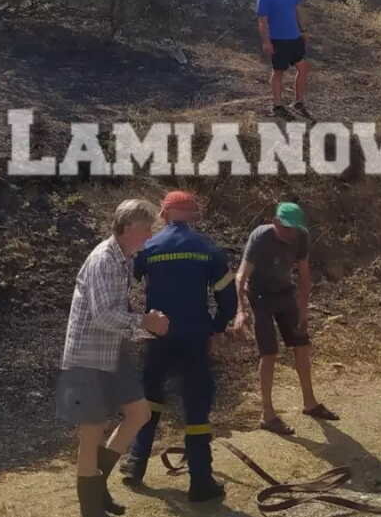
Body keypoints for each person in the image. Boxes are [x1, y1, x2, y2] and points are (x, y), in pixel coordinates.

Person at [118, 191, 237, 502]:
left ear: (164, 214)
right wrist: (216, 327)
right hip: (195, 338)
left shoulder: (149, 247)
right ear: (193, 215)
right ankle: (200, 482)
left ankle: (135, 464)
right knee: (196, 408)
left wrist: (137, 320)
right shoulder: (206, 249)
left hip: (158, 336)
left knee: (150, 400)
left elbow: (123, 284)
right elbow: (228, 297)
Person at [56, 199, 171, 517]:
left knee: (139, 413)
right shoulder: (104, 260)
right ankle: (90, 509)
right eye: (146, 228)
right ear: (127, 227)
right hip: (87, 357)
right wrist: (145, 323)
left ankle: (98, 485)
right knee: (91, 431)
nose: (150, 234)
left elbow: (118, 313)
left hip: (113, 352)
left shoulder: (125, 259)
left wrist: (147, 326)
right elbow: (104, 315)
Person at [231, 202, 337, 434]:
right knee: (269, 353)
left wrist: (303, 312)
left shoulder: (301, 236)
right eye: (287, 229)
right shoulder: (260, 237)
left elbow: (304, 277)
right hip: (260, 296)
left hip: (285, 293)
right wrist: (241, 311)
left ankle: (310, 403)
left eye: (295, 229)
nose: (292, 234)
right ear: (276, 222)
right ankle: (267, 415)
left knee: (302, 345)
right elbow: (241, 276)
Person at [256, 0, 310, 119]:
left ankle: (299, 101)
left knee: (303, 68)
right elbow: (262, 21)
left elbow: (296, 8)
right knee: (278, 72)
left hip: (295, 38)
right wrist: (266, 42)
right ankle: (277, 105)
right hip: (278, 40)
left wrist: (303, 29)